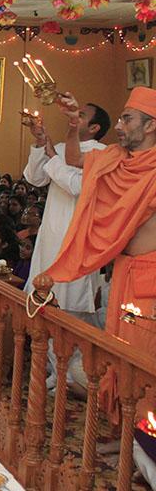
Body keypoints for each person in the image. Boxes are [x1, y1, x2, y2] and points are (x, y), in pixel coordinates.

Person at [45, 86, 156, 427]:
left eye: (127, 119)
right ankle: (126, 437)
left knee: (141, 360)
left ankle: (143, 442)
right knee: (118, 356)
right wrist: (72, 124)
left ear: (150, 125)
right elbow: (73, 160)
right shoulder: (116, 157)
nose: (119, 126)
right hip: (122, 272)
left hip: (149, 277)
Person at [23, 101, 109, 391]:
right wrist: (41, 143)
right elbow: (35, 178)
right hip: (50, 241)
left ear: (94, 128)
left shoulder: (101, 154)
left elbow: (76, 185)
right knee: (44, 307)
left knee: (69, 311)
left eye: (81, 115)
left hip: (77, 245)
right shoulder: (60, 148)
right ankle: (53, 370)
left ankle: (70, 375)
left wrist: (52, 156)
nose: (74, 117)